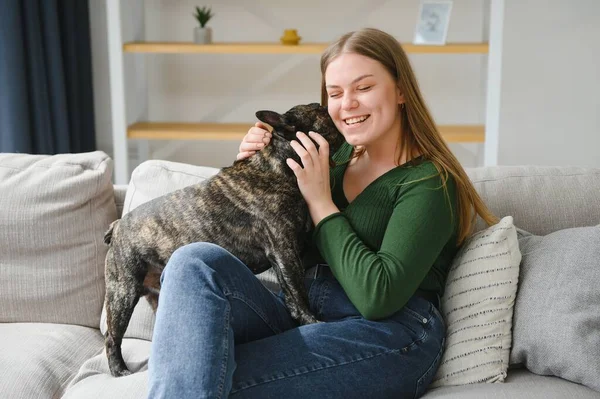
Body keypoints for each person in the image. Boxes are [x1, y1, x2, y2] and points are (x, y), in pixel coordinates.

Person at [147, 27, 499, 398]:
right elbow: (272, 247)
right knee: (193, 262)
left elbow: (378, 298)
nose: (347, 104)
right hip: (300, 310)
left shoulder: (429, 183)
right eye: (335, 93)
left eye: (363, 88)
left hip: (388, 334)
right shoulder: (328, 159)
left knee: (207, 373)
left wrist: (321, 203)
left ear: (400, 91)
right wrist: (255, 172)